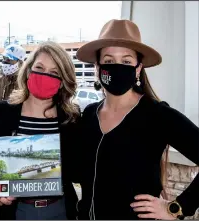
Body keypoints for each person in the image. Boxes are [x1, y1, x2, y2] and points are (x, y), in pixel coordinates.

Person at [74, 19, 199, 220]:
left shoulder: (158, 115)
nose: (117, 67)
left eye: (126, 61)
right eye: (108, 61)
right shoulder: (88, 115)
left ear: (138, 68)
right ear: (97, 67)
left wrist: (177, 208)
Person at [0, 41, 81, 220]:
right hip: (14, 211)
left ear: (62, 82)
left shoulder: (72, 119)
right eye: (40, 67)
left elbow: (78, 171)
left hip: (60, 210)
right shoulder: (3, 112)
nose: (45, 75)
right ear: (29, 70)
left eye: (55, 72)